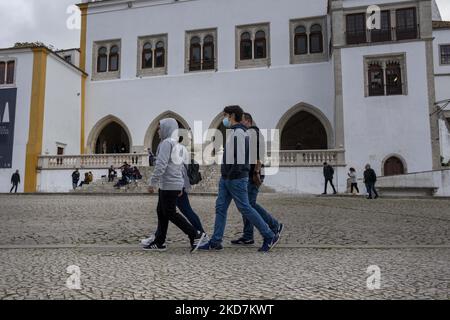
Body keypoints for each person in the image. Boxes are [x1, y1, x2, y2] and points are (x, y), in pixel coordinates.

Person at [199, 105, 279, 253]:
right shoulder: (235, 133)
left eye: (225, 116)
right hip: (227, 178)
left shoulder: (240, 134)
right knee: (221, 208)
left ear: (232, 116)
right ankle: (216, 241)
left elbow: (241, 159)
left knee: (245, 208)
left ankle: (269, 235)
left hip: (235, 178)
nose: (224, 119)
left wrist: (231, 175)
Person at [144, 118, 207, 252]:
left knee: (170, 213)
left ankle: (195, 234)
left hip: (169, 185)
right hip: (170, 184)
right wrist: (180, 185)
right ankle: (159, 241)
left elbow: (161, 165)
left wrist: (152, 183)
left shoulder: (167, 143)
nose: (158, 131)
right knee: (161, 212)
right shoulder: (175, 144)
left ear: (167, 129)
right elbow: (178, 167)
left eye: (160, 128)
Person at [231, 112, 283, 245]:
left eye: (241, 120)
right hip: (252, 173)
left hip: (253, 174)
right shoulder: (254, 133)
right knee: (247, 205)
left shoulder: (252, 133)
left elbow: (258, 156)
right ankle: (248, 235)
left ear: (247, 121)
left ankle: (274, 225)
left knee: (248, 205)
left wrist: (256, 172)